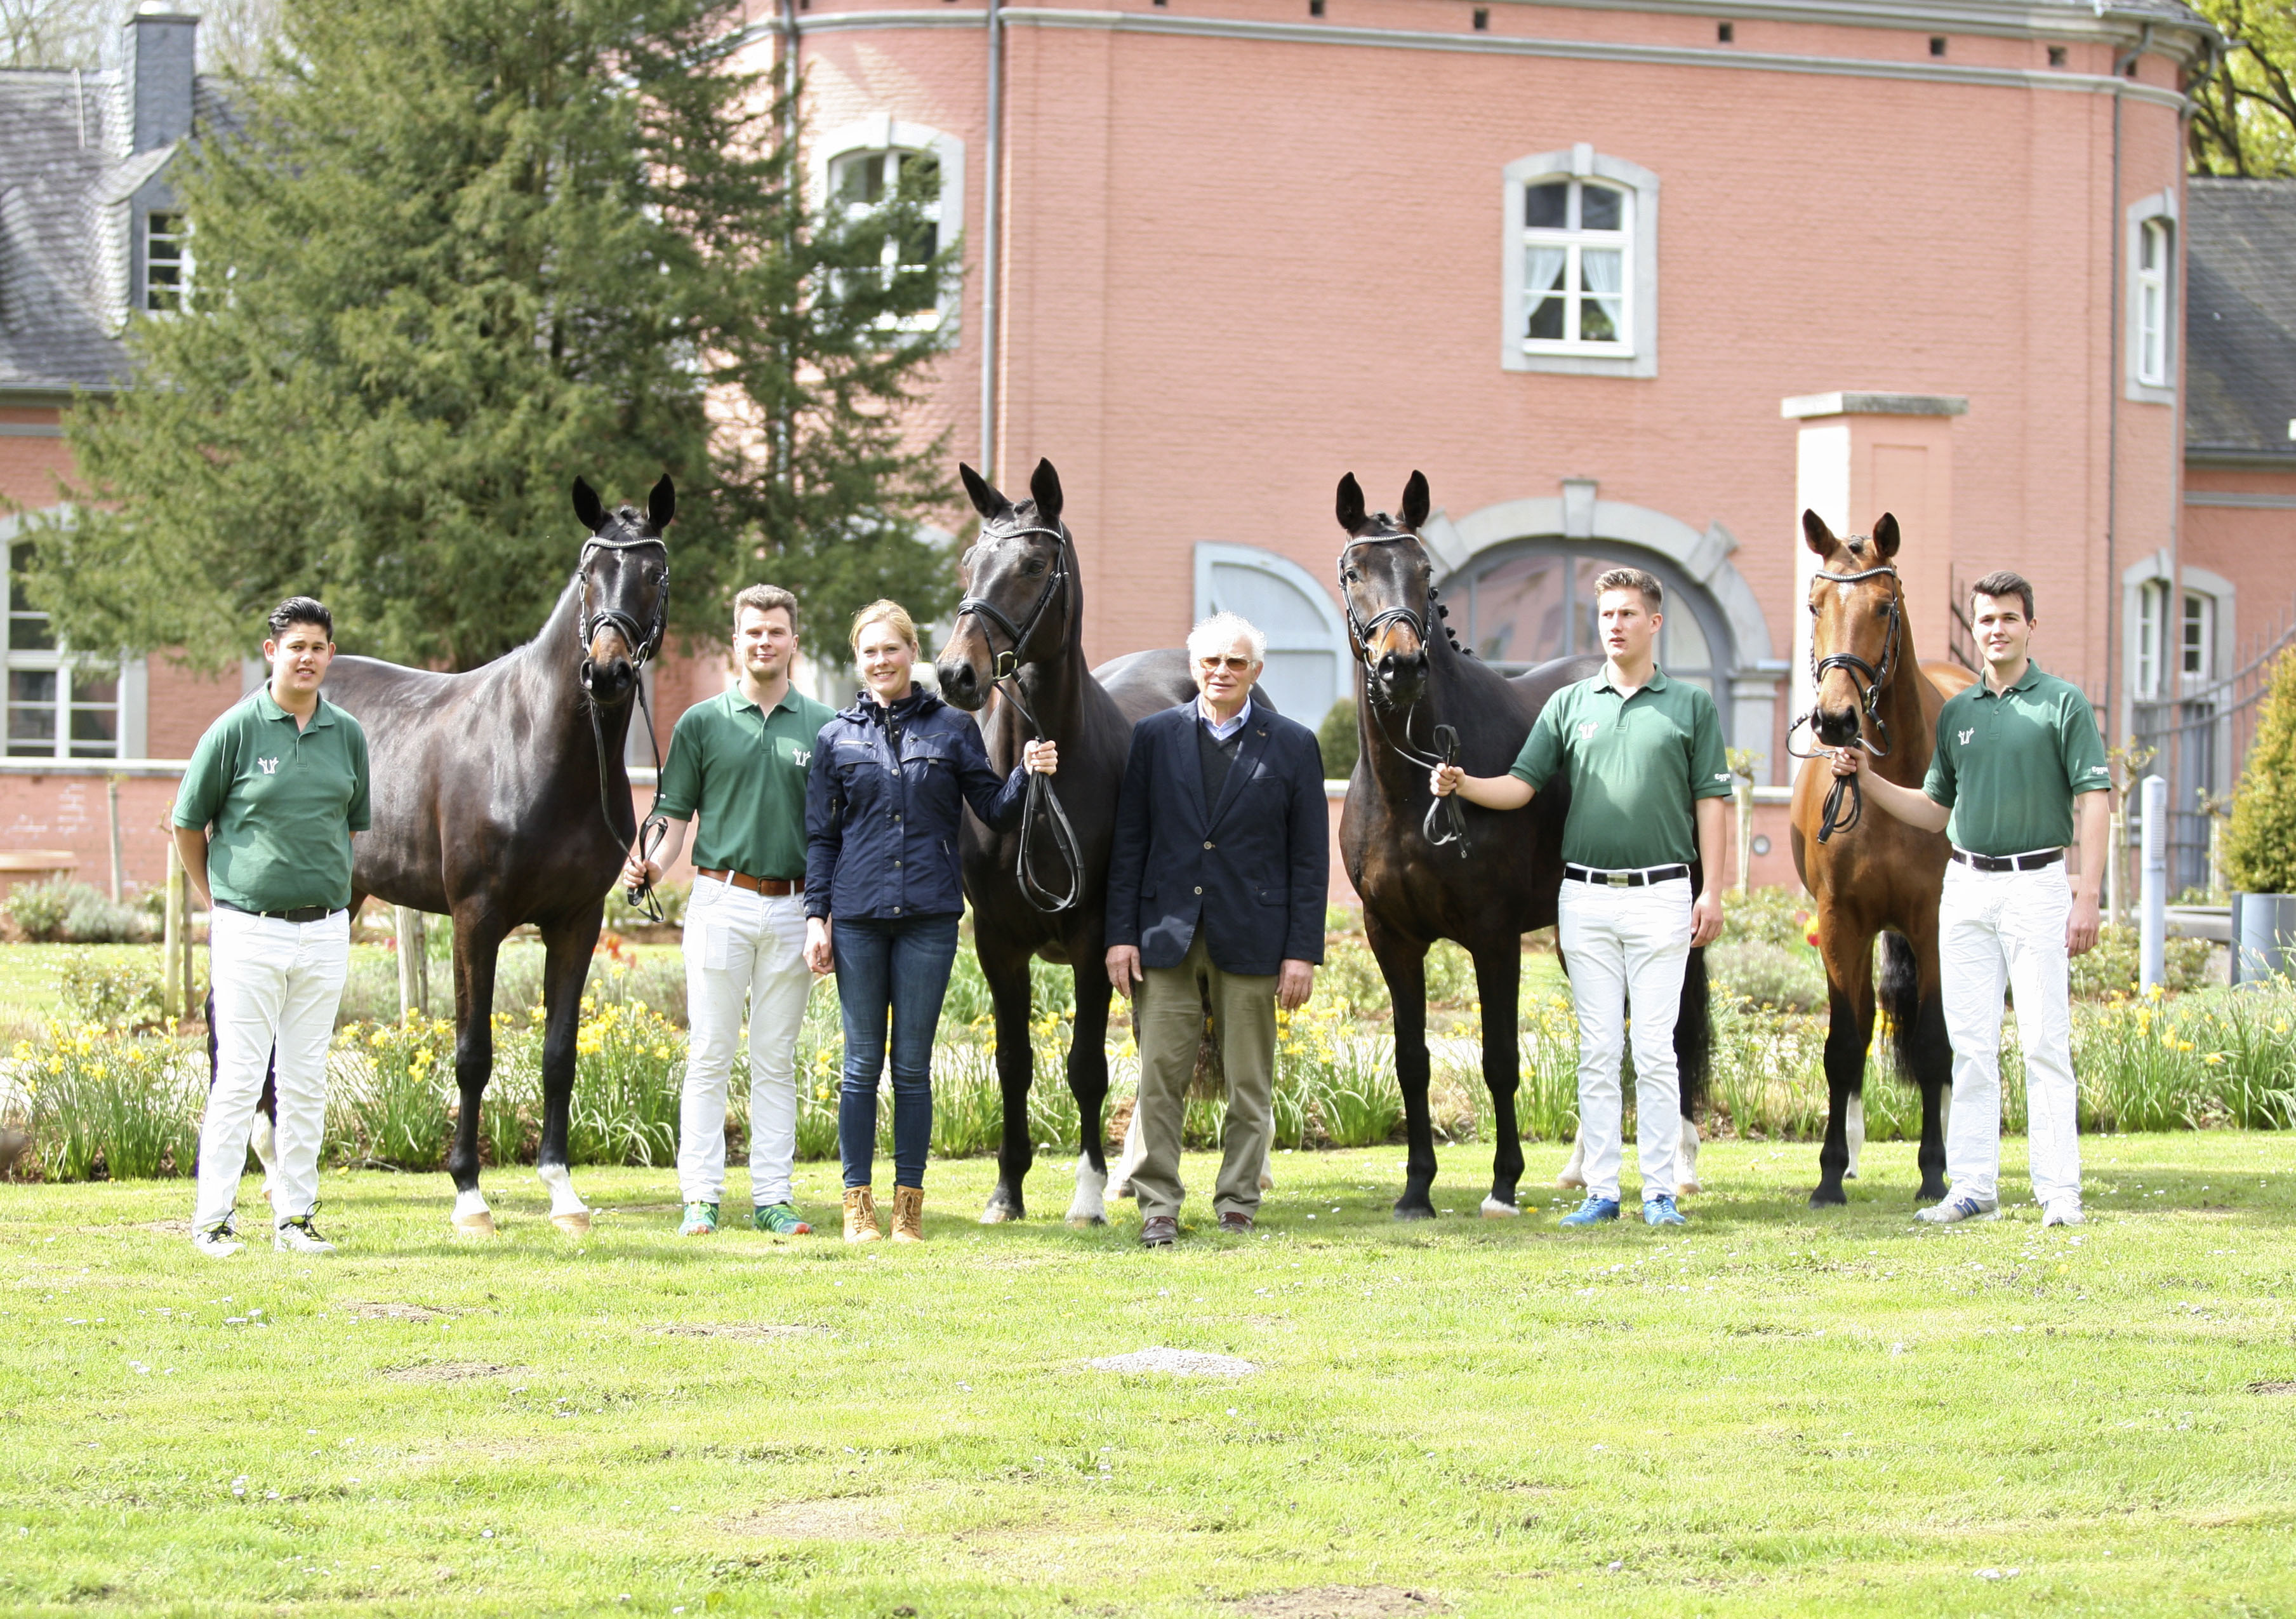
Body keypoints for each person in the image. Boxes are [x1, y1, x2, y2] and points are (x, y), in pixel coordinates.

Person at [1432, 568, 1728, 1229]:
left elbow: (1712, 802)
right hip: (1583, 900)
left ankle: (1658, 1193)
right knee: (1597, 1050)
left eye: (1627, 614)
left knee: (1653, 1050)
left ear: (1654, 624)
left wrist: (1711, 890)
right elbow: (1519, 786)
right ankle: (1601, 1191)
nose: (1615, 625)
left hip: (1661, 896)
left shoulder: (1689, 706)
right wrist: (1462, 785)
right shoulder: (1568, 704)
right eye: (1606, 615)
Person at [1829, 571, 2108, 1227]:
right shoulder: (1956, 715)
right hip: (1966, 885)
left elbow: (2093, 798)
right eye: (1985, 620)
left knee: (2043, 1043)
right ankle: (1974, 1187)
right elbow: (1931, 812)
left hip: (2036, 883)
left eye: (2008, 618)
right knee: (1971, 1044)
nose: (1995, 629)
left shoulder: (2062, 704)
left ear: (2028, 626)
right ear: (1975, 628)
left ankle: (2057, 1192)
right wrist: (1864, 777)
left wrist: (2087, 892)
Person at [804, 600, 1055, 1243]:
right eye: (869, 652)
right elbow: (821, 839)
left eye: (891, 649)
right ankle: (855, 1206)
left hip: (928, 920)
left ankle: (906, 1209)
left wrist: (1026, 774)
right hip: (857, 918)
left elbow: (993, 811)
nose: (881, 661)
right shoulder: (835, 738)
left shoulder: (952, 729)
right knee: (861, 1066)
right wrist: (816, 918)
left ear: (911, 653)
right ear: (856, 661)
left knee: (912, 1068)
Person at [1105, 611, 1328, 1248]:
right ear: (1193, 666)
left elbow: (1308, 861)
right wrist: (1120, 934)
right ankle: (1157, 1207)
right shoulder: (1152, 738)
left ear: (1255, 672)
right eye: (1210, 661)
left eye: (1235, 662)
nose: (1221, 672)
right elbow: (1130, 843)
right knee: (1158, 1080)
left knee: (1249, 1084)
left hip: (1254, 938)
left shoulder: (1292, 744)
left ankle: (1237, 1201)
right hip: (1165, 936)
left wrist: (1301, 953)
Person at [621, 585, 835, 1239]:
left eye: (775, 631)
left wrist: (823, 916)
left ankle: (774, 1197)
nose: (763, 642)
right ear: (735, 642)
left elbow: (831, 829)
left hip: (795, 907)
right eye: (752, 632)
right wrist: (654, 863)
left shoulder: (825, 725)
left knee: (775, 1059)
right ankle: (700, 1198)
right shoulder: (700, 722)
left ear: (793, 641)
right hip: (720, 899)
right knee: (710, 1054)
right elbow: (674, 816)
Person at [175, 597, 370, 1258]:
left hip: (323, 931)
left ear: (329, 656)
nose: (307, 657)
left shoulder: (346, 734)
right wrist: (217, 900)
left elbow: (349, 827)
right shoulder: (232, 731)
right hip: (247, 931)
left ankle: (295, 1219)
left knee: (306, 1078)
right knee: (239, 1078)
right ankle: (214, 1222)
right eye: (296, 647)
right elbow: (186, 824)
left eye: (318, 647)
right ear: (271, 653)